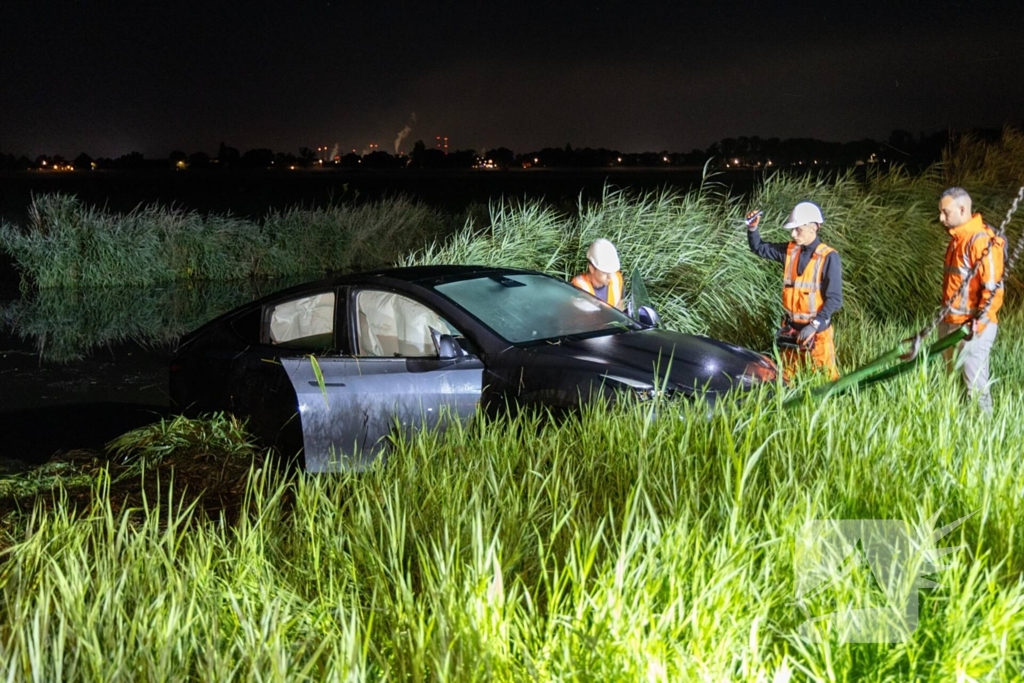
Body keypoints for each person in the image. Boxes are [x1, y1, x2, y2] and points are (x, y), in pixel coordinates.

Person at [745, 201, 843, 380]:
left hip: (817, 336)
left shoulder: (829, 257)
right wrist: (752, 229)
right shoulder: (789, 251)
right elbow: (758, 248)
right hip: (791, 333)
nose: (793, 233)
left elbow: (835, 299)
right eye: (793, 229)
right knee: (788, 380)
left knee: (826, 381)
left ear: (814, 228)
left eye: (798, 229)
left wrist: (814, 325)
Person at [937, 186, 1004, 413]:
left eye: (945, 212)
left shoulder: (980, 240)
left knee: (974, 387)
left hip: (973, 328)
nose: (941, 218)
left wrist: (980, 322)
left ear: (963, 209)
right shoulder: (957, 239)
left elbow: (993, 289)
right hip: (951, 325)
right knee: (952, 385)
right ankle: (956, 435)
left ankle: (984, 438)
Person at [572, 238, 625, 309]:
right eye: (604, 272)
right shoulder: (578, 287)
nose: (610, 276)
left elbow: (621, 305)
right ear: (592, 269)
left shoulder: (617, 279)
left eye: (611, 272)